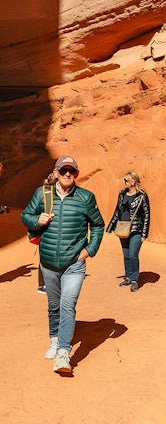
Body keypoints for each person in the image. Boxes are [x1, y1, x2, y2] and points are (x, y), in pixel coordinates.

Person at [21, 156, 105, 374]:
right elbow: (25, 215)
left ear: (76, 174)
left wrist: (88, 251)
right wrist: (35, 220)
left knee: (68, 305)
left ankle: (63, 353)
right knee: (53, 306)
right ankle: (54, 339)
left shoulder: (86, 197)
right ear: (56, 172)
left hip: (74, 264)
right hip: (48, 264)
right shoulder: (42, 194)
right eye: (63, 170)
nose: (67, 174)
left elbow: (98, 225)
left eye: (72, 171)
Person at [106, 170, 150, 292]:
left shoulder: (141, 196)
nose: (123, 182)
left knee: (133, 255)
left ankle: (135, 279)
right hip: (122, 228)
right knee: (126, 255)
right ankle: (128, 277)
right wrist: (110, 226)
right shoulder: (121, 194)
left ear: (132, 182)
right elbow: (117, 211)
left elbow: (146, 214)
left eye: (126, 180)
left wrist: (144, 233)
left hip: (136, 229)